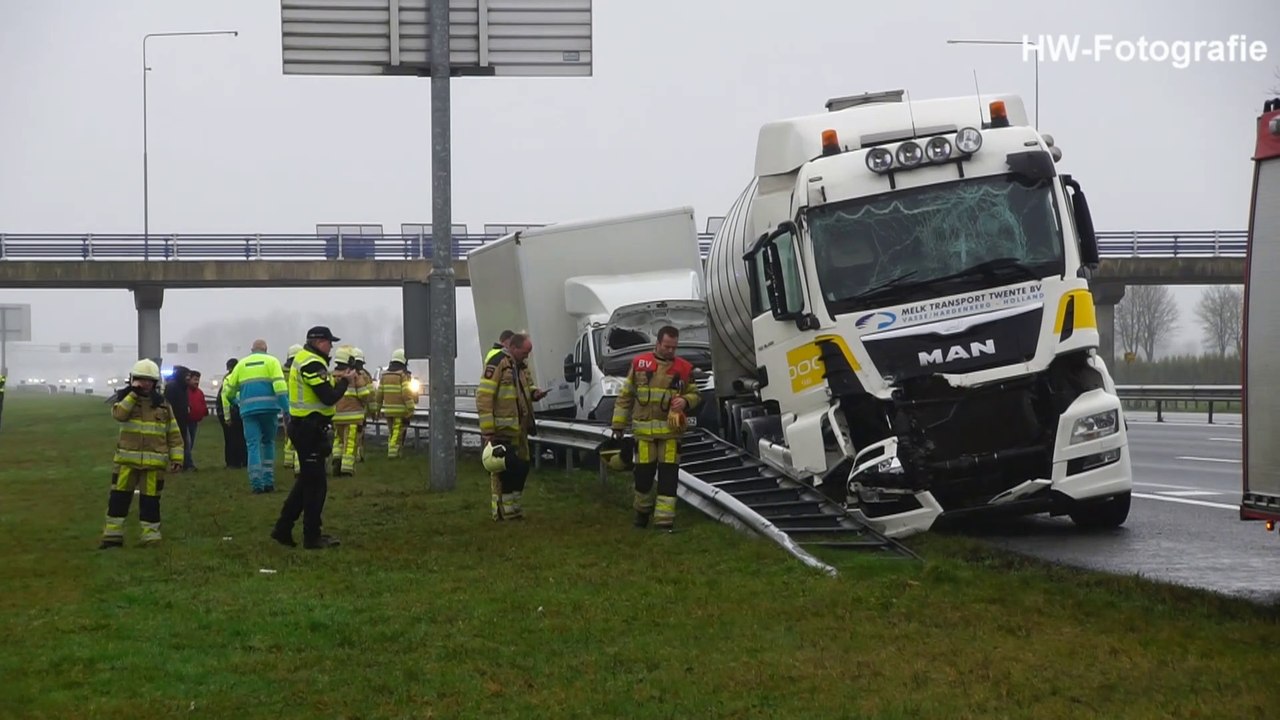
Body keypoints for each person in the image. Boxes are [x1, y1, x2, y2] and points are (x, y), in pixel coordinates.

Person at [611, 325, 701, 531]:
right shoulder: (640, 364)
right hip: (644, 435)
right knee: (643, 477)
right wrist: (618, 425)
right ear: (658, 343)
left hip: (671, 434)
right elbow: (625, 396)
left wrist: (686, 402)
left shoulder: (684, 368)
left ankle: (664, 522)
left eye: (674, 347)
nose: (670, 351)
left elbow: (696, 394)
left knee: (668, 477)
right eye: (667, 346)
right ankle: (641, 514)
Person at [271, 326, 352, 549]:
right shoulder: (312, 363)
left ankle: (283, 529)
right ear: (318, 342)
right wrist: (346, 382)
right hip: (308, 428)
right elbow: (327, 397)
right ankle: (311, 536)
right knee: (316, 487)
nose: (331, 347)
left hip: (307, 427)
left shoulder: (309, 360)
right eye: (329, 342)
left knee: (306, 483)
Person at [99, 359, 185, 549]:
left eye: (148, 380)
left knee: (150, 502)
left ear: (155, 383)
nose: (144, 384)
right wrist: (132, 395)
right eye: (140, 379)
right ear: (132, 380)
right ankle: (112, 537)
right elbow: (119, 415)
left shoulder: (163, 406)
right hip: (126, 463)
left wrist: (177, 458)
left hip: (154, 464)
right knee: (118, 500)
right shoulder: (125, 401)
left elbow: (174, 433)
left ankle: (151, 537)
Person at [476, 332, 545, 521]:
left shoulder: (520, 367)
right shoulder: (498, 363)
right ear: (513, 348)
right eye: (525, 352)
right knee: (506, 470)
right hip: (502, 429)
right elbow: (484, 396)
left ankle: (514, 507)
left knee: (522, 467)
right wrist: (488, 429)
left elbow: (523, 390)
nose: (527, 356)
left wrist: (534, 393)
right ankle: (504, 511)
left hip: (519, 429)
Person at [221, 340, 290, 494]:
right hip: (269, 410)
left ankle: (256, 483)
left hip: (248, 411)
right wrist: (286, 409)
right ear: (266, 349)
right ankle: (268, 481)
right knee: (268, 443)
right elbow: (280, 387)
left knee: (252, 445)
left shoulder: (241, 365)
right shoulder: (272, 362)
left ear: (251, 350)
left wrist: (237, 402)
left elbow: (229, 391)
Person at [330, 345, 372, 476]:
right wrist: (365, 404)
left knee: (338, 440)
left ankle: (337, 459)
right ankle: (347, 469)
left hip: (336, 416)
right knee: (350, 443)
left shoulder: (332, 375)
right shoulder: (355, 376)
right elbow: (364, 394)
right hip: (353, 417)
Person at [377, 348, 417, 459]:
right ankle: (393, 454)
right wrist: (411, 408)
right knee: (397, 434)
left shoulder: (384, 376)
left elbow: (379, 394)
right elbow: (406, 394)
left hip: (388, 411)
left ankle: (395, 452)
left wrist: (377, 408)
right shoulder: (402, 376)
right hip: (400, 411)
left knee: (392, 432)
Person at [216, 357, 248, 469]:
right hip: (245, 410)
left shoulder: (228, 379)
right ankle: (245, 461)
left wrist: (227, 417)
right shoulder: (244, 377)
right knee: (244, 438)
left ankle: (233, 463)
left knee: (231, 438)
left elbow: (225, 400)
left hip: (233, 411)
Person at [163, 366, 194, 471]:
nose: (189, 378)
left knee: (186, 442)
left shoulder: (183, 387)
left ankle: (186, 463)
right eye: (187, 375)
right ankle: (183, 464)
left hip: (183, 419)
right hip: (175, 419)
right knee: (179, 443)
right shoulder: (173, 387)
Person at [350, 347, 376, 463]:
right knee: (359, 434)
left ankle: (345, 458)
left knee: (344, 436)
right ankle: (358, 455)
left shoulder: (342, 373)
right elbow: (370, 395)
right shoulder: (365, 376)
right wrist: (373, 411)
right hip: (360, 411)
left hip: (342, 411)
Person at [280, 344, 303, 472]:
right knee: (299, 434)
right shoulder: (301, 369)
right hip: (299, 405)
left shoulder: (282, 370)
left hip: (286, 405)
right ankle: (296, 461)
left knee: (288, 432)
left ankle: (288, 459)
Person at [184, 370, 208, 470]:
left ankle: (185, 462)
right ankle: (188, 464)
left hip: (195, 421)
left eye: (198, 380)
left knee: (191, 443)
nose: (196, 382)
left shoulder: (199, 392)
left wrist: (204, 411)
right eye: (195, 379)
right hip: (185, 421)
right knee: (187, 443)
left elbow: (202, 404)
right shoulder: (185, 391)